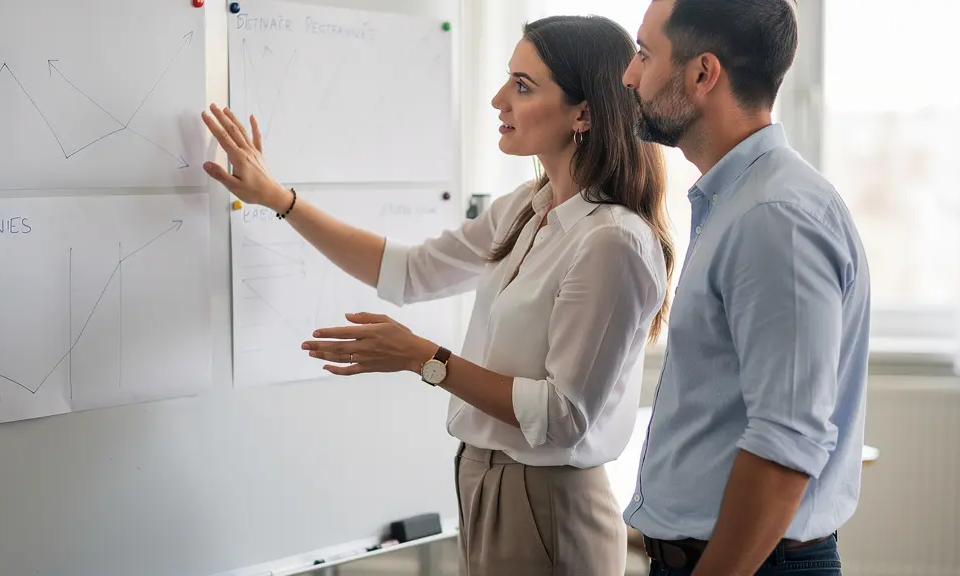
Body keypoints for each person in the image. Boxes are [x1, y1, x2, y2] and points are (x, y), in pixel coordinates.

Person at [202, 15, 675, 576]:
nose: (498, 100)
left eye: (523, 86)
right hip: (482, 482)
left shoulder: (612, 242)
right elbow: (409, 271)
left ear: (585, 114)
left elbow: (562, 416)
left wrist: (424, 358)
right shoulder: (525, 207)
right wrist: (278, 198)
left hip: (548, 501)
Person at [620, 1, 871, 575]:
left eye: (644, 54)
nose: (629, 76)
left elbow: (786, 444)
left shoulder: (774, 217)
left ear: (703, 73)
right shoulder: (737, 201)